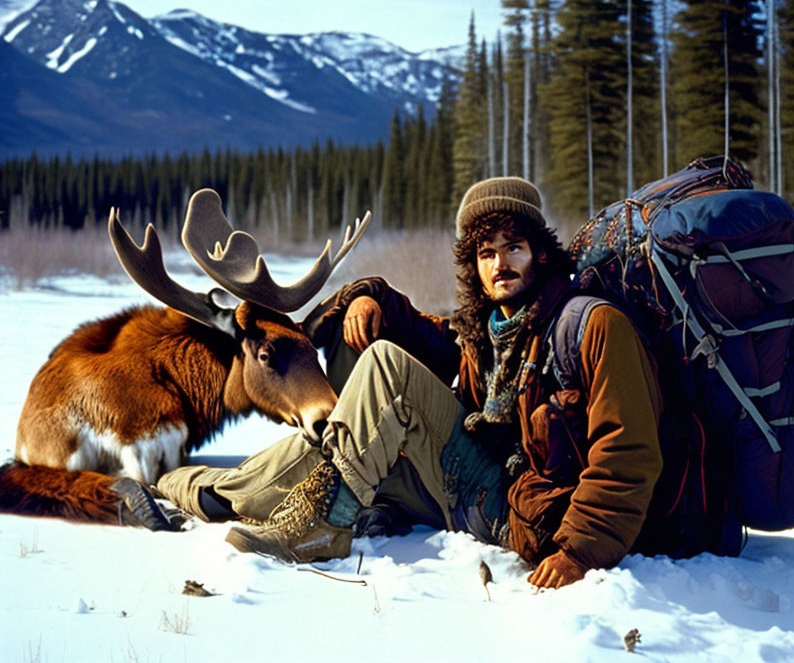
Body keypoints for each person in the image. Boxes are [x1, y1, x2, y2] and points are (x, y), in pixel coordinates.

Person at [157, 176, 662, 589]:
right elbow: (418, 327)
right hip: (476, 489)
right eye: (486, 253)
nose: (500, 264)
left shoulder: (589, 325)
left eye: (514, 247)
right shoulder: (483, 330)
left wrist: (578, 551)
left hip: (526, 512)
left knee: (383, 368)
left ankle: (324, 528)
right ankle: (189, 489)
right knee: (329, 448)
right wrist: (366, 295)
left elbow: (629, 453)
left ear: (542, 253)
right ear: (474, 264)